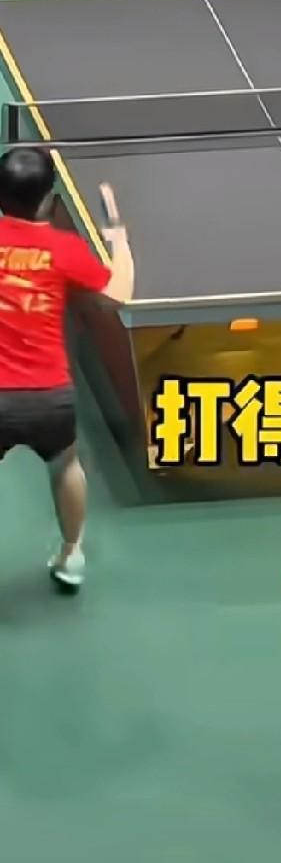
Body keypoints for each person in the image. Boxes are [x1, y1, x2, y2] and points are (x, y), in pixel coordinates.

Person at [0, 149, 134, 591]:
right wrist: (118, 237)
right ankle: (70, 555)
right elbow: (117, 296)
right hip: (49, 394)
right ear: (48, 201)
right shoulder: (64, 249)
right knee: (65, 464)